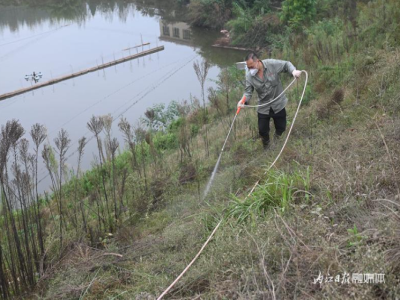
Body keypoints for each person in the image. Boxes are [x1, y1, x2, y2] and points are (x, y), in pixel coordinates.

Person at [237, 52, 302, 149]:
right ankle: (267, 147)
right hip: (263, 107)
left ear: (258, 61)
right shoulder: (249, 76)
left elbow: (286, 64)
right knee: (262, 131)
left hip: (278, 104)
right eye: (248, 67)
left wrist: (293, 71)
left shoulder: (271, 64)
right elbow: (248, 92)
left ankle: (277, 142)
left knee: (281, 128)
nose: (250, 69)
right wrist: (243, 101)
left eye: (251, 66)